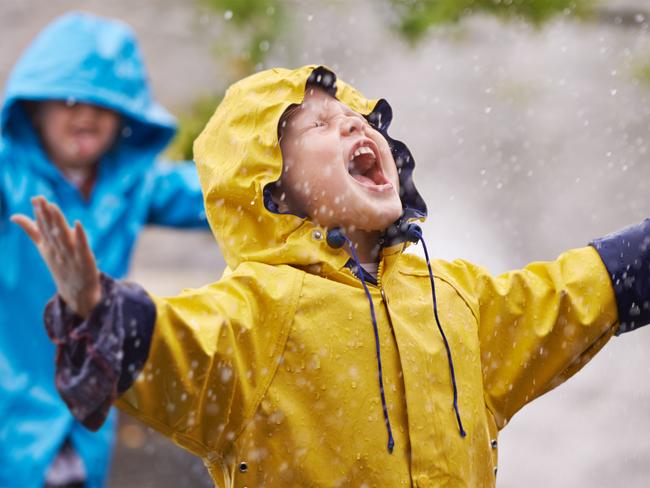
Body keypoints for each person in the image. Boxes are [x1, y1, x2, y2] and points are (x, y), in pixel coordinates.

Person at [12, 65, 650, 487]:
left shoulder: (453, 295)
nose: (351, 121)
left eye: (355, 115)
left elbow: (564, 299)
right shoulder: (260, 314)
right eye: (316, 125)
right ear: (272, 191)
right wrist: (98, 309)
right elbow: (179, 344)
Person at [0, 11, 208, 488]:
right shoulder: (9, 175)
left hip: (89, 399)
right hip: (12, 396)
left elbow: (212, 194)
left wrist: (296, 184)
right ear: (36, 108)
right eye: (70, 99)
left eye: (105, 103)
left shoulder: (132, 185)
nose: (87, 113)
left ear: (126, 117)